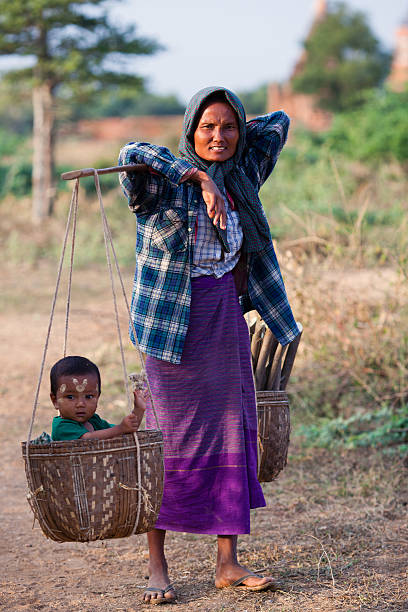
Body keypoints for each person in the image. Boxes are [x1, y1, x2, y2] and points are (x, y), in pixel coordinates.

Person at [118, 86, 301, 604]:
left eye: (228, 127)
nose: (217, 136)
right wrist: (197, 176)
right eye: (206, 127)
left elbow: (280, 122)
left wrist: (227, 154)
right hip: (171, 327)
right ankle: (157, 564)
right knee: (167, 440)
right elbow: (129, 152)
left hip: (223, 320)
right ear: (188, 132)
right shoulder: (160, 185)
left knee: (230, 434)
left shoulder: (244, 176)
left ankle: (227, 561)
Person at [50, 355, 145, 441]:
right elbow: (86, 440)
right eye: (70, 397)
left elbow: (126, 431)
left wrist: (139, 410)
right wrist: (120, 428)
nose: (80, 404)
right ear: (55, 401)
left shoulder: (94, 420)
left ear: (98, 397)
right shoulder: (62, 427)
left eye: (89, 396)